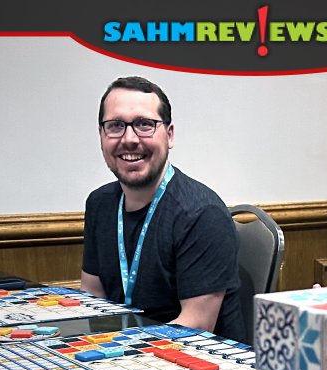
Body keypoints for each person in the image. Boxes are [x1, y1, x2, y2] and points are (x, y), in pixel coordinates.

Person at [81, 76, 245, 342]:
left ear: (169, 136)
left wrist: (118, 346)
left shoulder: (202, 213)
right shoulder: (99, 204)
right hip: (121, 362)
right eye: (115, 126)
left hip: (197, 368)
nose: (129, 139)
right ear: (101, 135)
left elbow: (196, 326)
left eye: (145, 125)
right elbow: (92, 300)